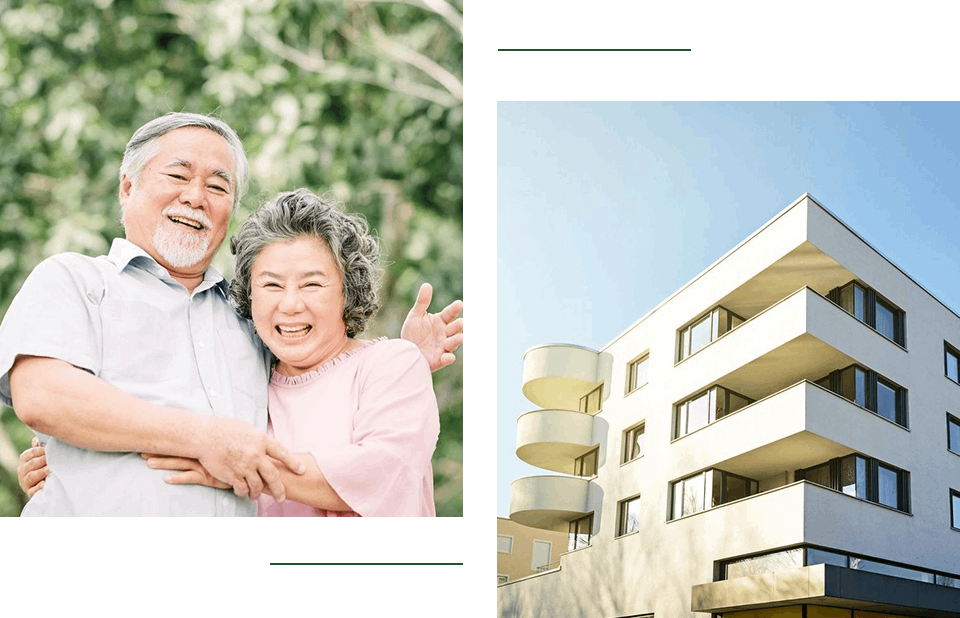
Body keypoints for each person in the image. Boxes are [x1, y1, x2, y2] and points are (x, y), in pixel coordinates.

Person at [2, 112, 462, 516]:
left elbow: (323, 374)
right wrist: (202, 439)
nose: (196, 196)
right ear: (128, 186)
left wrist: (402, 360)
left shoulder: (249, 319)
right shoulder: (76, 280)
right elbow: (42, 396)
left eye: (218, 186)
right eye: (178, 176)